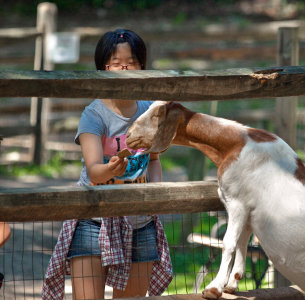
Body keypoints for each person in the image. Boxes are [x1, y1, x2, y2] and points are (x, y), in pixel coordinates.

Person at [42, 29, 173, 300]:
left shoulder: (150, 111)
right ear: (104, 67)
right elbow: (94, 172)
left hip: (141, 219)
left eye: (132, 61)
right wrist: (111, 169)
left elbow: (155, 160)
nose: (124, 67)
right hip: (95, 219)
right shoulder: (93, 114)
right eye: (116, 61)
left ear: (142, 66)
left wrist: (155, 194)